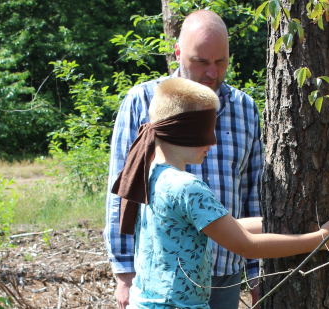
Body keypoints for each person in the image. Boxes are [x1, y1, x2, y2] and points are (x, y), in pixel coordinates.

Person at [111, 77, 329, 309]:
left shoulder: (151, 175)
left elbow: (221, 226)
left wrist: (280, 223)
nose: (213, 142)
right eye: (207, 130)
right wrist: (321, 240)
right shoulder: (187, 187)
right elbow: (247, 246)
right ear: (185, 130)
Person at [105, 9, 264, 309]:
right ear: (178, 52)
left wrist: (255, 274)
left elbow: (253, 192)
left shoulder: (245, 108)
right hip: (163, 286)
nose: (212, 73)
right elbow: (122, 190)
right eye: (201, 61)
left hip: (224, 275)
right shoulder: (143, 101)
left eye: (221, 62)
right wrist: (124, 274)